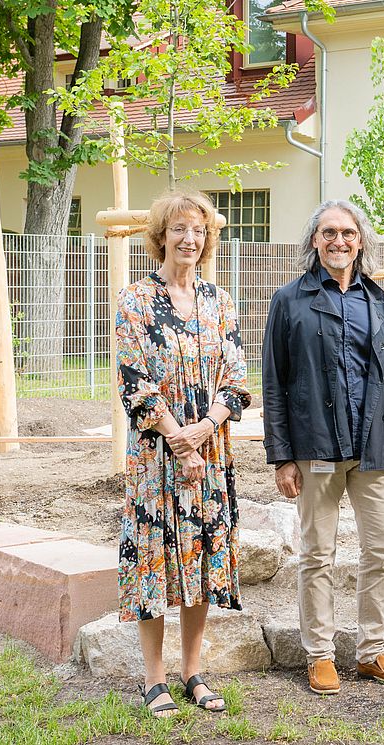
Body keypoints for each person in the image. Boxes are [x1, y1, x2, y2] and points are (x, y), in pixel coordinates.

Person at [262, 199, 384, 695]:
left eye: (348, 233)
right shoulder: (291, 300)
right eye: (328, 232)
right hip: (315, 448)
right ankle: (320, 655)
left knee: (383, 550)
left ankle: (372, 651)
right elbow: (274, 382)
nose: (339, 241)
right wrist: (282, 456)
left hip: (375, 449)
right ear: (314, 241)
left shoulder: (380, 302)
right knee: (317, 555)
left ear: (361, 241)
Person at [116, 190, 251, 717]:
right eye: (178, 229)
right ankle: (154, 680)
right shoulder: (135, 300)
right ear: (160, 236)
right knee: (154, 562)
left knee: (200, 558)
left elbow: (237, 380)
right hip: (156, 458)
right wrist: (178, 436)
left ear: (207, 238)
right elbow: (135, 381)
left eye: (197, 230)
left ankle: (194, 672)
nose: (189, 238)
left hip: (210, 454)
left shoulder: (221, 301)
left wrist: (203, 431)